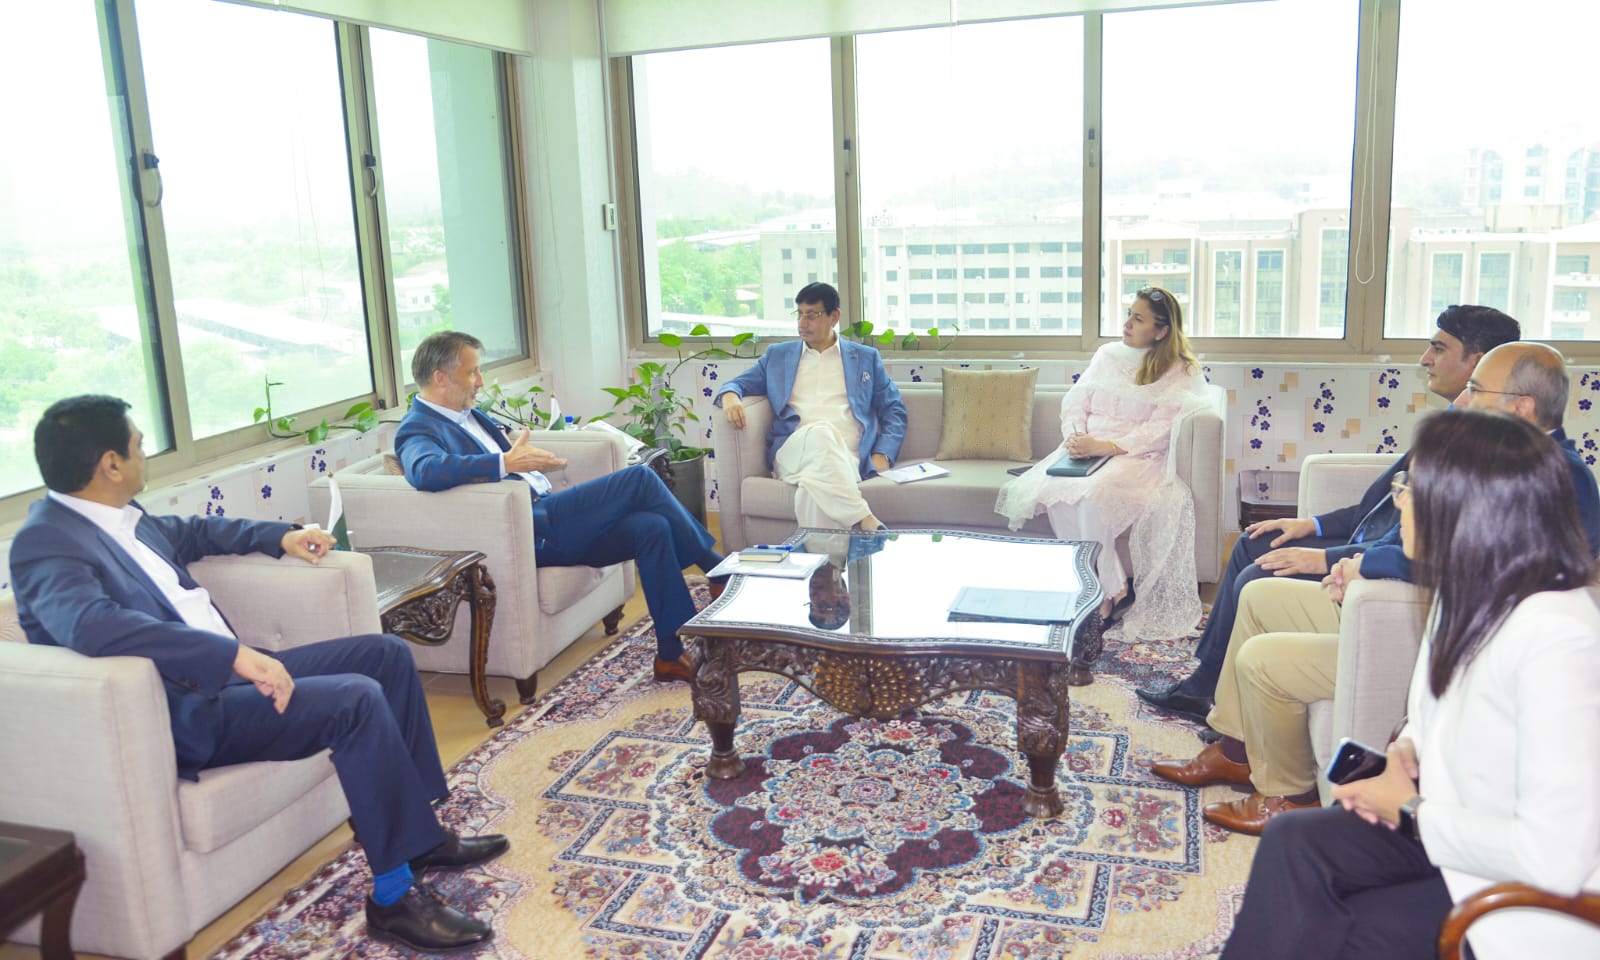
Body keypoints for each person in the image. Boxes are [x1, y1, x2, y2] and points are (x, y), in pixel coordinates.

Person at [8, 396, 505, 953]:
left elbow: (195, 533)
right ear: (110, 465)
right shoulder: (45, 543)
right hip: (188, 710)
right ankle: (393, 898)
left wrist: (280, 536)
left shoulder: (121, 516)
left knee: (384, 655)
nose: (145, 453)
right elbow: (92, 625)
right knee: (356, 699)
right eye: (139, 445)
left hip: (229, 680)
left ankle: (421, 838)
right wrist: (230, 656)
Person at [1150, 340, 1600, 834]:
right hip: (1404, 604)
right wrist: (1358, 562)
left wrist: (1366, 565)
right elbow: (1419, 539)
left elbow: (1464, 562)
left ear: (1523, 407)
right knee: (1259, 595)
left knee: (1262, 659)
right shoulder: (1497, 459)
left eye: (1476, 389)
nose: (1462, 400)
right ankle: (1237, 751)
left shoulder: (1556, 479)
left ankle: (1289, 796)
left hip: (1425, 626)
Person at [1219, 409, 1600, 960]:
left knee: (1343, 928)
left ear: (1464, 509)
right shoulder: (1465, 592)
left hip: (1523, 900)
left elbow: (1556, 858)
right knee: (1294, 842)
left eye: (1409, 488)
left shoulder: (1561, 642)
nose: (1399, 502)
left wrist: (1412, 811)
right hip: (1453, 829)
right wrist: (1408, 751)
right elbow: (1438, 712)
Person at [1137, 305, 1521, 723]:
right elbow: (1377, 506)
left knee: (1258, 572)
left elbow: (1426, 547)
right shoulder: (1453, 421)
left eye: (1438, 348)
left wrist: (1323, 557)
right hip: (1365, 541)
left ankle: (1217, 696)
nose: (1425, 359)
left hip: (1376, 560)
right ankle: (1204, 683)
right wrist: (1309, 524)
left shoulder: (1482, 447)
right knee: (1254, 541)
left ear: (1477, 362)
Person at [394, 331, 724, 684]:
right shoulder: (418, 428)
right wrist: (505, 462)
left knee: (651, 527)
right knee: (639, 478)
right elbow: (425, 470)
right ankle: (719, 572)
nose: (480, 381)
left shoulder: (468, 413)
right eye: (472, 372)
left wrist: (523, 459)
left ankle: (670, 654)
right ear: (440, 378)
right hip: (534, 530)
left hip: (549, 512)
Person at [995, 285, 1211, 641]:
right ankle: (1104, 585)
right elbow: (1076, 400)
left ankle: (1104, 595)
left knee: (1094, 494)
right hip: (1086, 449)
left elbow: (1158, 431)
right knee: (1056, 489)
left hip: (1134, 456)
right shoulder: (1107, 355)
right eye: (1128, 314)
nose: (1127, 324)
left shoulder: (1180, 370)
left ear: (1161, 331)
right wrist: (1075, 436)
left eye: (1138, 319)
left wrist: (1105, 446)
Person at [716, 282, 907, 532]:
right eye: (799, 314)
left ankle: (827, 559)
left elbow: (894, 409)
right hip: (793, 452)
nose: (802, 323)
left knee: (811, 491)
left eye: (811, 315)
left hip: (847, 456)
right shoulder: (778, 355)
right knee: (821, 433)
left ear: (834, 317)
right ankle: (864, 519)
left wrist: (883, 453)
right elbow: (738, 383)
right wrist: (730, 395)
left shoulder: (865, 358)